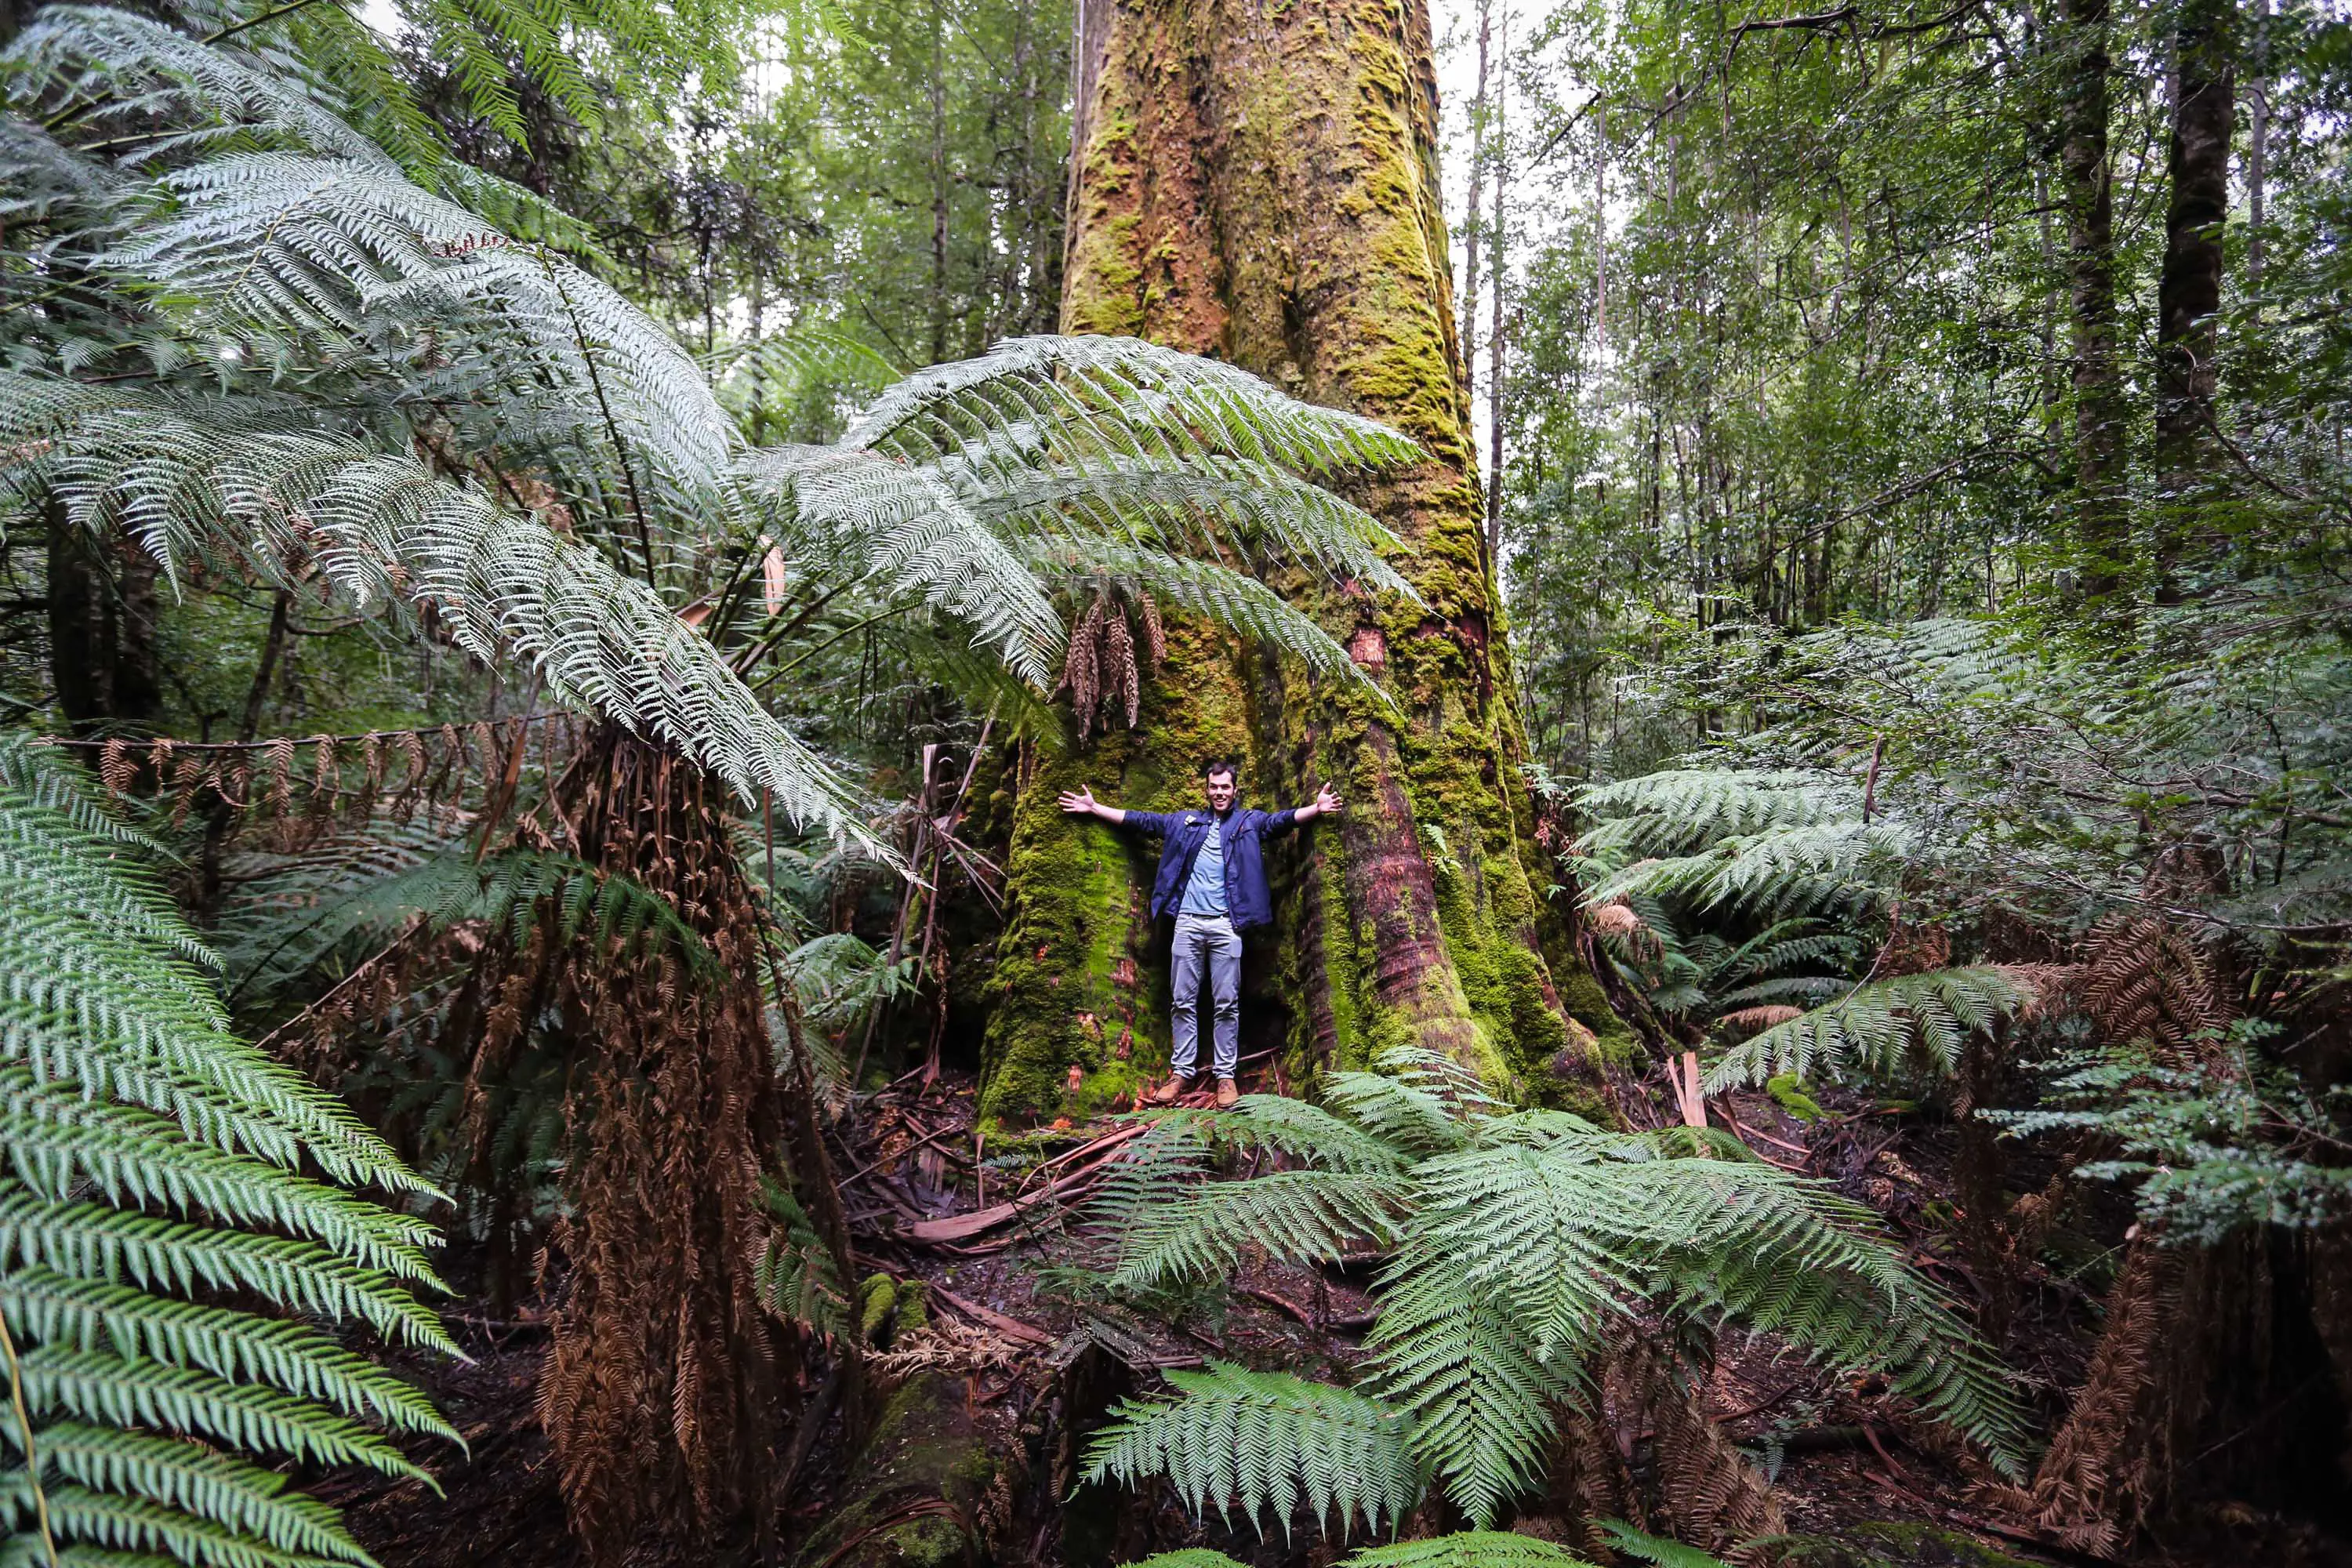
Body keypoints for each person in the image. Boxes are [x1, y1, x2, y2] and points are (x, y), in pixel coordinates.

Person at [1058, 759, 1342, 1108]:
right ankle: (1181, 1073)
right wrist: (1096, 808)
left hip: (1227, 925)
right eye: (1214, 787)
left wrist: (1315, 809)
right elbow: (1143, 821)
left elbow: (1279, 821)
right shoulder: (1184, 822)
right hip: (1188, 923)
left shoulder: (1248, 822)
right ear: (1206, 790)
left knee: (1226, 1003)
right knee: (1183, 1001)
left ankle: (1226, 1076)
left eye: (1225, 787)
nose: (1219, 793)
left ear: (1235, 790)